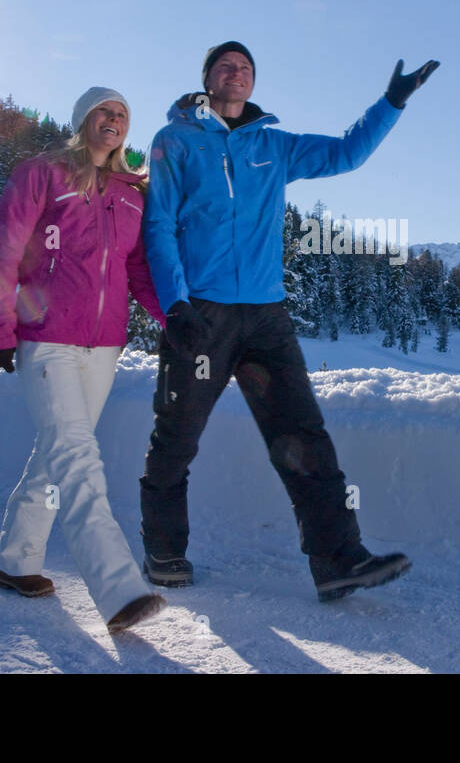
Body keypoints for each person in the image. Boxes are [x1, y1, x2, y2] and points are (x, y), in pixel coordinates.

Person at [140, 41, 438, 601]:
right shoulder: (174, 141)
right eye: (227, 66)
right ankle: (164, 547)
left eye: (247, 68)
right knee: (177, 435)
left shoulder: (273, 145)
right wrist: (175, 304)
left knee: (303, 436)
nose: (238, 73)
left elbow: (347, 153)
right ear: (207, 79)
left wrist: (391, 102)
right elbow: (158, 226)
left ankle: (338, 559)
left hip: (266, 315)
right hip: (202, 312)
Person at [0, 86, 169, 633]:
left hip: (104, 346)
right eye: (104, 111)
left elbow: (136, 270)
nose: (113, 120)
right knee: (78, 460)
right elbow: (5, 248)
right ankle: (118, 588)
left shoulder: (132, 192)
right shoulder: (42, 173)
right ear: (84, 119)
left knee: (58, 454)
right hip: (47, 339)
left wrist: (175, 321)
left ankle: (17, 563)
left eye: (122, 115)